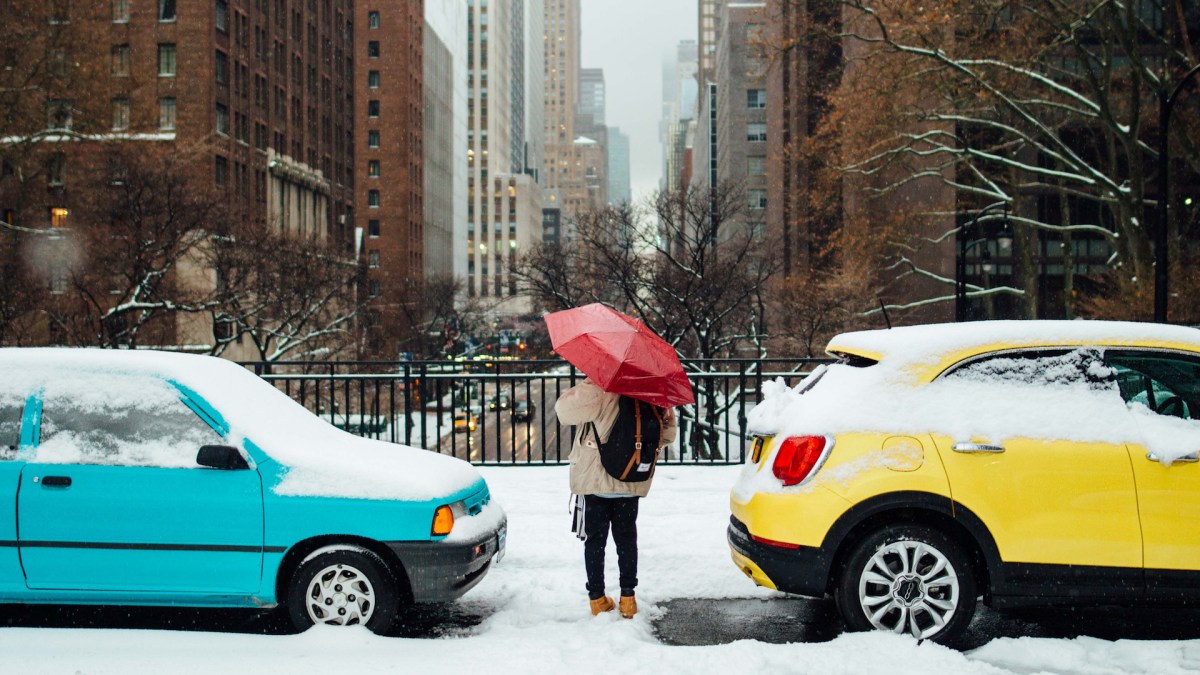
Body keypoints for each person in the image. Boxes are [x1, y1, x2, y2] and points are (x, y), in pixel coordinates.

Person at [555, 378, 677, 618]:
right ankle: (628, 598)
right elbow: (668, 436)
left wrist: (585, 384)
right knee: (627, 540)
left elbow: (563, 411)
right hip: (631, 481)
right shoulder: (650, 389)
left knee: (595, 541)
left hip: (596, 481)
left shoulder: (601, 388)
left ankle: (598, 599)